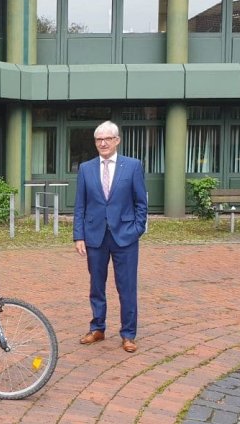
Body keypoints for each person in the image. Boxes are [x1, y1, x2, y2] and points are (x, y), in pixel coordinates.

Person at [73, 120, 148, 353]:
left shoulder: (133, 166)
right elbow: (80, 206)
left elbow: (141, 203)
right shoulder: (86, 168)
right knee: (96, 286)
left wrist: (136, 229)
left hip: (125, 237)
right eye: (98, 139)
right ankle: (98, 328)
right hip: (95, 237)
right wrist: (79, 236)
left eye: (107, 139)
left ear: (117, 140)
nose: (103, 143)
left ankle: (128, 334)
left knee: (126, 287)